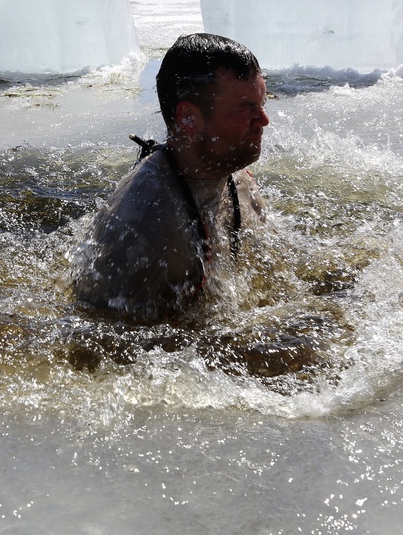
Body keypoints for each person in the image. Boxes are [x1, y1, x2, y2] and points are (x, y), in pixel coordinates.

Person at [71, 33, 270, 322]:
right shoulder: (146, 225)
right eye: (245, 108)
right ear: (188, 118)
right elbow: (106, 347)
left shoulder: (238, 179)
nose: (264, 120)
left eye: (262, 102)